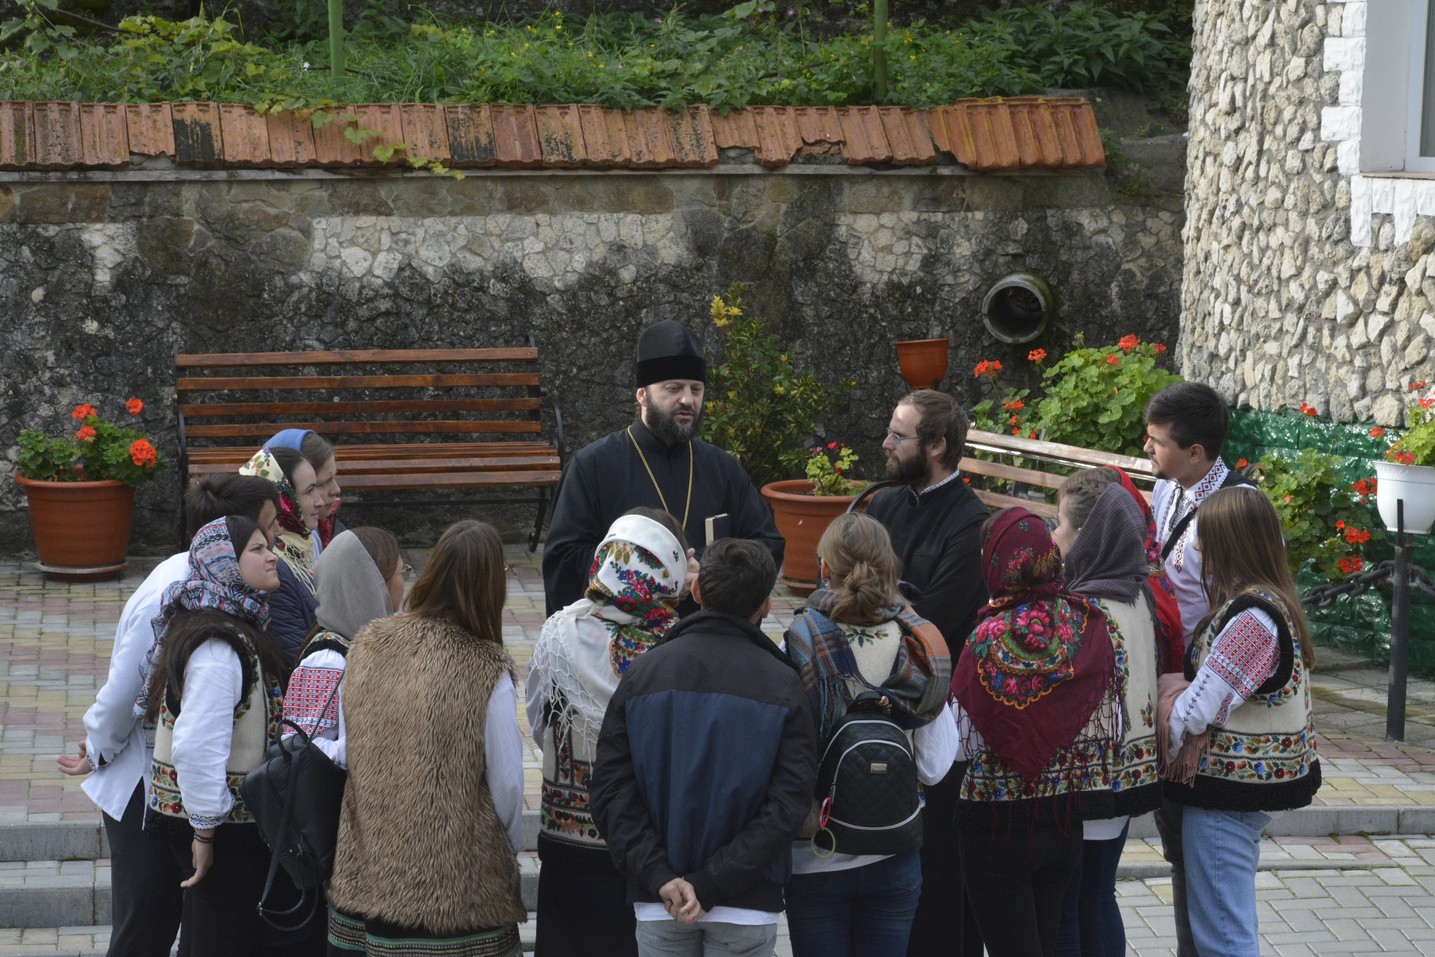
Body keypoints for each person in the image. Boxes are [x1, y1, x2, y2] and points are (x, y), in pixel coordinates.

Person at [55, 475, 280, 957]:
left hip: (178, 788)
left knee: (181, 923)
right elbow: (127, 688)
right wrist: (97, 747)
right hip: (150, 785)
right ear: (227, 539)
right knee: (148, 923)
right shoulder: (184, 593)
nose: (276, 544)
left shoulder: (220, 592)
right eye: (263, 533)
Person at [590, 538, 817, 957]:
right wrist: (711, 883)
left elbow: (610, 790)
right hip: (746, 905)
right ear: (766, 604)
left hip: (662, 900)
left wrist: (660, 875)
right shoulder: (784, 684)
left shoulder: (643, 674)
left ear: (696, 592)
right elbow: (789, 804)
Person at [327, 520, 527, 957]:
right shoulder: (487, 667)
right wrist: (501, 853)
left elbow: (350, 750)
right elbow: (509, 785)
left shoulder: (367, 644)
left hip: (371, 873)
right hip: (461, 891)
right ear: (491, 586)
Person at [782, 513, 957, 957]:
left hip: (816, 854)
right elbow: (935, 769)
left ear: (824, 568)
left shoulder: (799, 640)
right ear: (890, 568)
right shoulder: (919, 644)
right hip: (894, 852)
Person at [949, 507, 1121, 957]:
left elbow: (962, 742)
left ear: (997, 564)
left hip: (996, 825)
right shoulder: (1090, 623)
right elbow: (1109, 719)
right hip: (1064, 821)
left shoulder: (986, 636)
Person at [1159, 485, 1321, 957]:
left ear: (1231, 543)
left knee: (1223, 936)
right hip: (1238, 793)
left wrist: (1164, 716)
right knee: (1227, 922)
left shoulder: (1252, 618)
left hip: (1225, 793)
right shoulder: (1270, 603)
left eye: (1205, 540)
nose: (1198, 551)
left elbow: (1198, 712)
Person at [527, 509, 690, 957]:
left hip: (568, 837)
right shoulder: (678, 644)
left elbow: (539, 718)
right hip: (647, 847)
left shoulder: (560, 631)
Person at [143, 515, 307, 957]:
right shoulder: (218, 645)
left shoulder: (235, 626)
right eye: (256, 549)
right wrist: (204, 834)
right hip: (219, 826)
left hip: (219, 823)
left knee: (209, 933)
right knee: (220, 937)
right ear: (225, 565)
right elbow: (196, 745)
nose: (272, 555)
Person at [541, 319, 784, 616]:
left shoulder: (724, 469)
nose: (687, 399)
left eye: (696, 389)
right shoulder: (592, 466)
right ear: (642, 394)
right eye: (673, 388)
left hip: (708, 640)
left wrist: (708, 570)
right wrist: (660, 573)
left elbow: (768, 545)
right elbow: (564, 561)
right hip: (622, 645)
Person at [861, 389, 988, 957]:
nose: (886, 444)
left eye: (899, 435)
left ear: (936, 446)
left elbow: (938, 617)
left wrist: (882, 605)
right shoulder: (886, 504)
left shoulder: (970, 523)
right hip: (874, 708)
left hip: (936, 718)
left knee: (937, 866)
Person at [1142, 380, 1253, 956]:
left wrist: (1197, 693)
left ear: (1197, 453)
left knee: (1203, 860)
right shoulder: (1168, 489)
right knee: (1177, 845)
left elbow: (1248, 614)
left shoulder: (1233, 510)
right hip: (1172, 687)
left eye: (1158, 442)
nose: (1147, 451)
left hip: (1206, 699)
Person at [1051, 476, 1164, 957]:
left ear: (1086, 537)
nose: (1053, 536)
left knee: (1070, 906)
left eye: (1060, 525)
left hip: (1088, 784)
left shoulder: (1085, 607)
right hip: (1128, 777)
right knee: (1098, 895)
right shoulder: (1138, 594)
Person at [282, 527, 404, 769]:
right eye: (401, 573)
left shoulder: (368, 640)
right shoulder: (328, 659)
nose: (404, 583)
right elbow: (297, 745)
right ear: (372, 584)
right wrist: (379, 746)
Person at [240, 445, 328, 666]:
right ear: (284, 501)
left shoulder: (300, 548)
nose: (320, 501)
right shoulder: (273, 566)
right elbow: (298, 657)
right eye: (309, 491)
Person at [265, 429, 344, 559]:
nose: (336, 489)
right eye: (321, 484)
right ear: (284, 493)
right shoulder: (273, 557)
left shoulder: (324, 530)